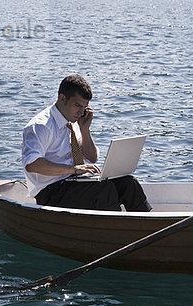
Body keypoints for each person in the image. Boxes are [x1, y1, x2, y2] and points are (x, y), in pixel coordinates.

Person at [21, 74, 151, 211]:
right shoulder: (41, 126)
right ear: (62, 98)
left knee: (128, 183)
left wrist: (85, 129)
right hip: (50, 191)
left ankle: (149, 224)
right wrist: (73, 169)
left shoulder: (74, 120)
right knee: (104, 190)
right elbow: (32, 164)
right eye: (77, 105)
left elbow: (92, 158)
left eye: (85, 107)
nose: (81, 111)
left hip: (77, 182)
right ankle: (114, 229)